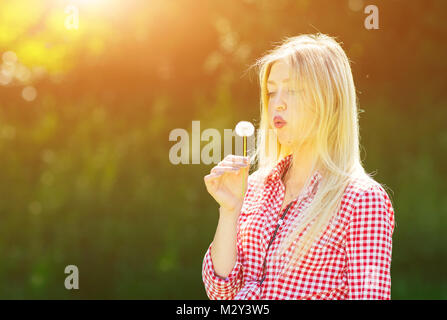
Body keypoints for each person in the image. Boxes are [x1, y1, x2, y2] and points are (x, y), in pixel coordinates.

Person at [202, 33, 395, 300]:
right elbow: (221, 293)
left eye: (291, 90)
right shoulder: (255, 187)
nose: (276, 102)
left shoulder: (361, 200)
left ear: (329, 99)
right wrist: (229, 211)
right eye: (271, 91)